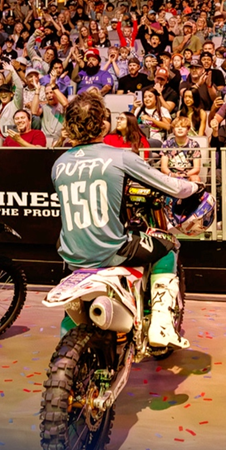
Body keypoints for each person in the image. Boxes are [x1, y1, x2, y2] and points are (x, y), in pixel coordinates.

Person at [52, 92, 204, 348]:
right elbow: (172, 187)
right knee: (167, 245)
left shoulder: (58, 164)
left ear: (69, 126)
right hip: (111, 250)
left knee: (73, 310)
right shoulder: (119, 156)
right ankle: (161, 324)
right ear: (103, 124)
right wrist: (195, 187)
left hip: (71, 255)